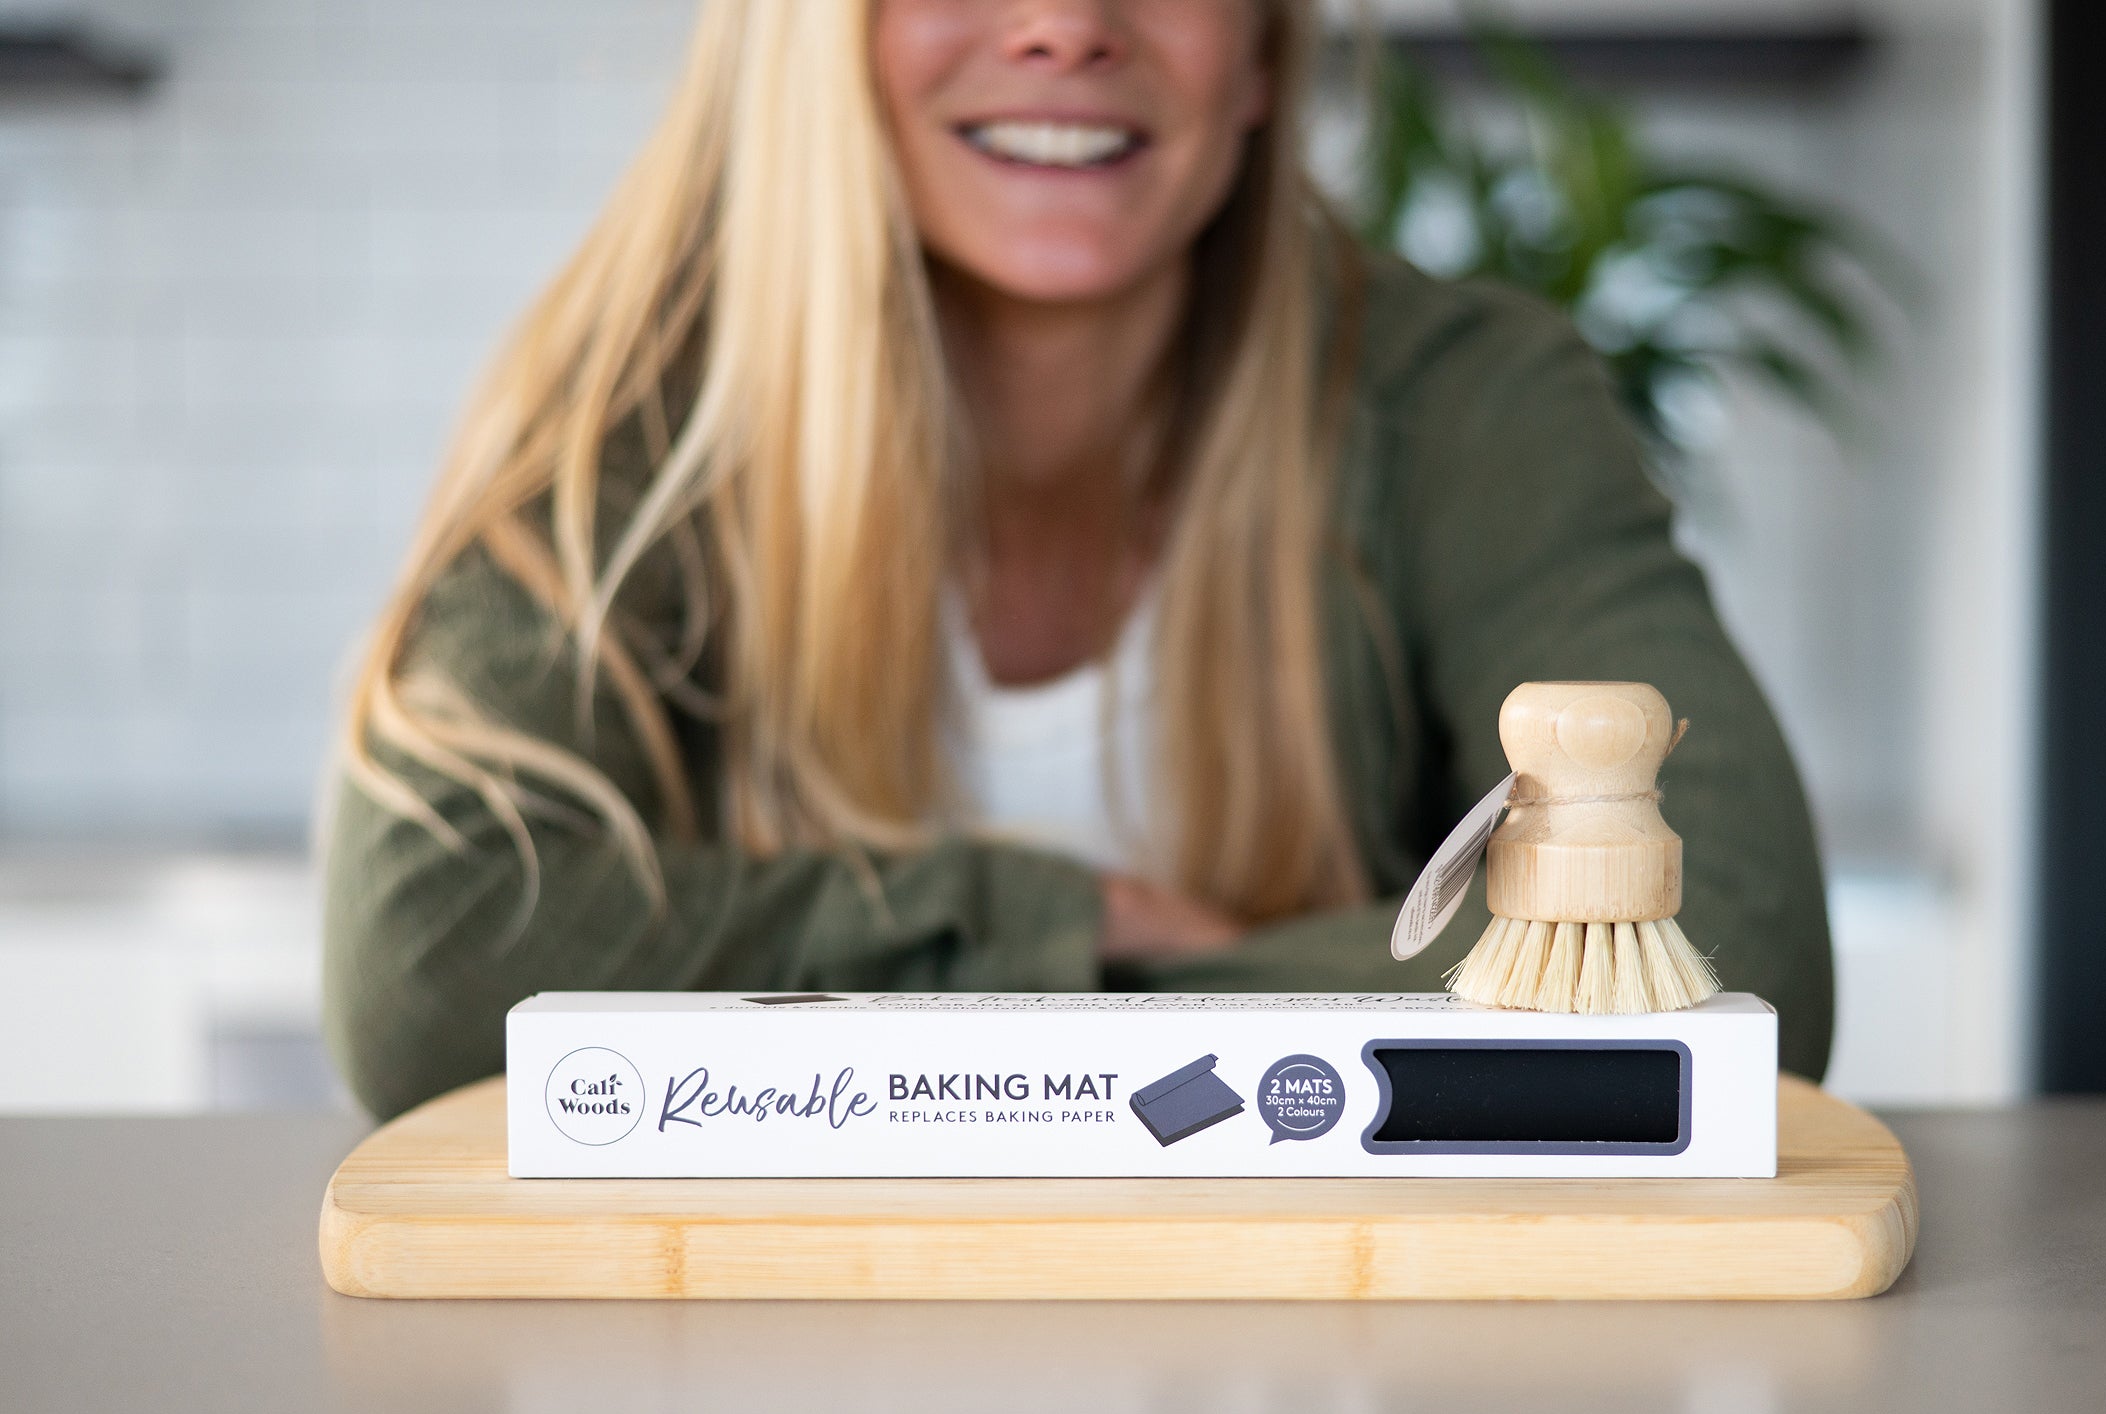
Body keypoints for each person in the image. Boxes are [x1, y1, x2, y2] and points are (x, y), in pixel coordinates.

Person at [323, 0, 1834, 1120]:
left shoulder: (1464, 405)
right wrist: (1078, 931)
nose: (1062, 26)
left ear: (1260, 50)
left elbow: (1729, 944)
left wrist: (961, 1046)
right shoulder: (643, 424)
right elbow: (433, 964)